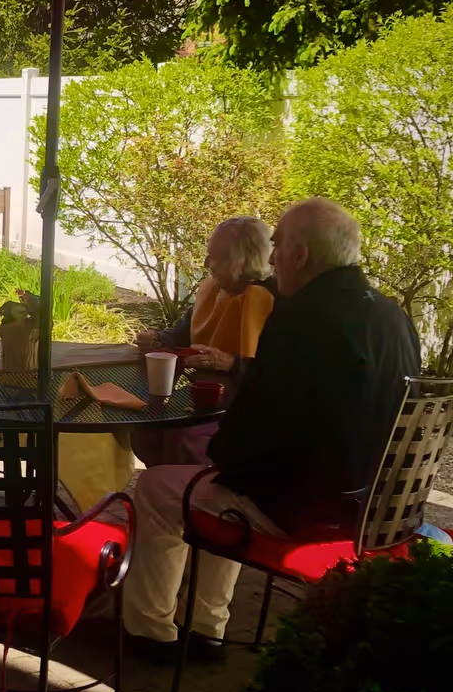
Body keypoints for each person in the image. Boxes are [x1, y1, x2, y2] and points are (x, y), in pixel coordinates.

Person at [122, 198, 421, 661]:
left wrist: (224, 459)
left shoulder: (303, 318)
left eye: (277, 245)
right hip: (373, 510)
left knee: (163, 488)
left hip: (305, 511)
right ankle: (206, 628)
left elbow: (255, 426)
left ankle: (149, 632)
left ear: (300, 256)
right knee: (220, 486)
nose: (271, 257)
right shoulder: (393, 317)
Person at [133, 217, 276, 467]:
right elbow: (181, 334)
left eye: (215, 257)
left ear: (241, 260)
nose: (206, 263)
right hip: (199, 399)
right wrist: (157, 339)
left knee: (181, 436)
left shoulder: (276, 302)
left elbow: (279, 373)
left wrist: (230, 362)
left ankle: (186, 494)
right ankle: (166, 488)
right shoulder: (212, 289)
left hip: (245, 412)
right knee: (146, 425)